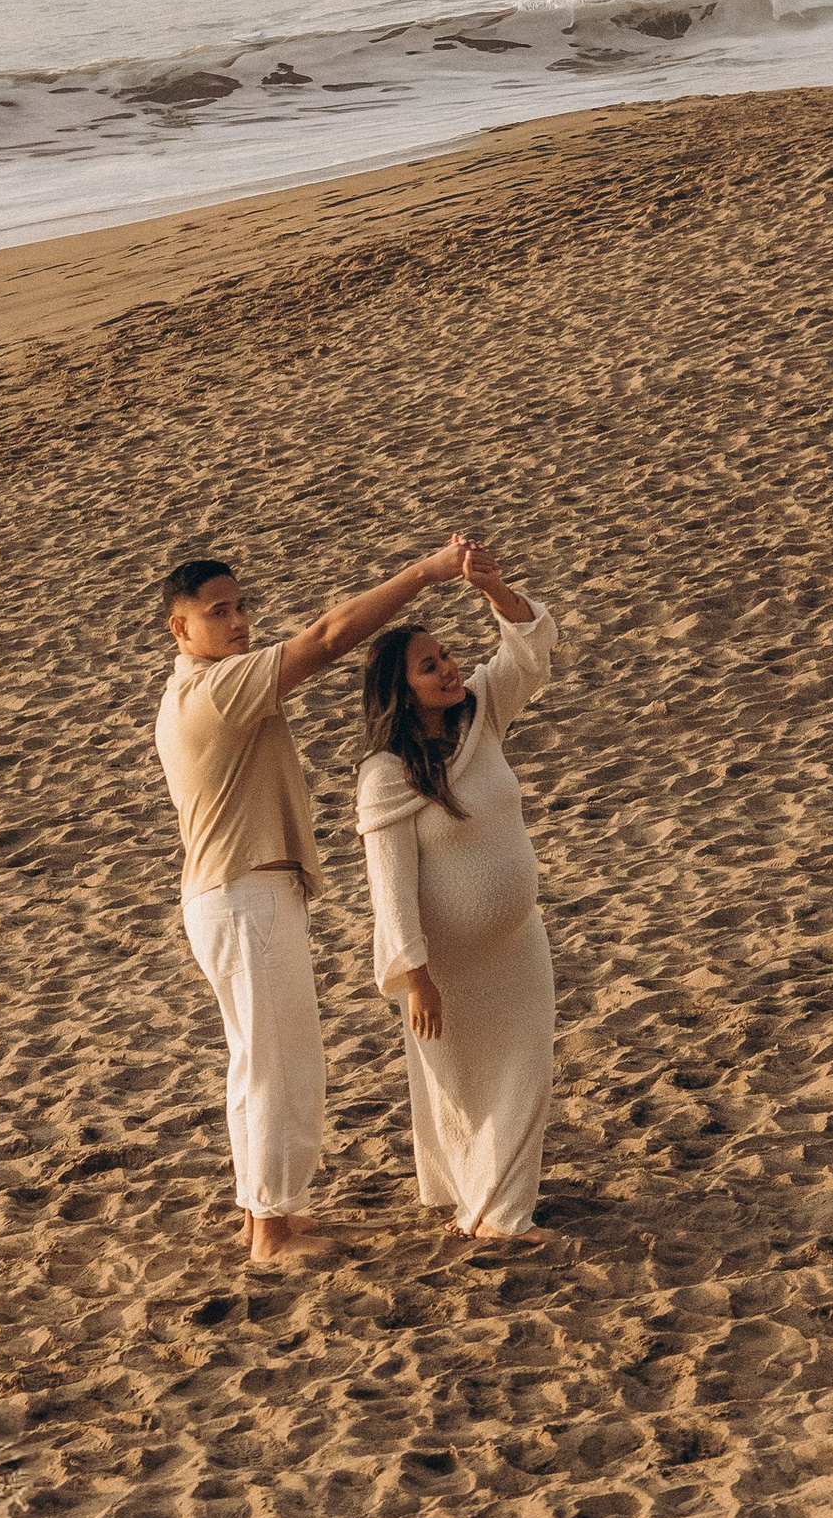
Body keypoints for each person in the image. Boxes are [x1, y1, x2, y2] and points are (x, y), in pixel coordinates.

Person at [157, 539, 475, 1269]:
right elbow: (330, 637)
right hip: (245, 897)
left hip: (236, 896)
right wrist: (424, 573)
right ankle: (270, 1229)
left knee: (260, 1061)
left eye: (241, 607)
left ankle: (268, 1214)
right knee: (278, 1064)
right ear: (181, 629)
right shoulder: (215, 690)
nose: (238, 622)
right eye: (218, 613)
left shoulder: (197, 690)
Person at [357, 542, 563, 1250]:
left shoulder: (482, 714)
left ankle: (498, 1209)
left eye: (446, 657)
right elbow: (389, 885)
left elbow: (532, 649)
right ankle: (490, 1212)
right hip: (446, 967)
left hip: (517, 942)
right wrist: (415, 976)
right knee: (465, 1085)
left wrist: (495, 589)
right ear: (400, 688)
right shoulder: (386, 773)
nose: (447, 669)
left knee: (527, 1067)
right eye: (429, 666)